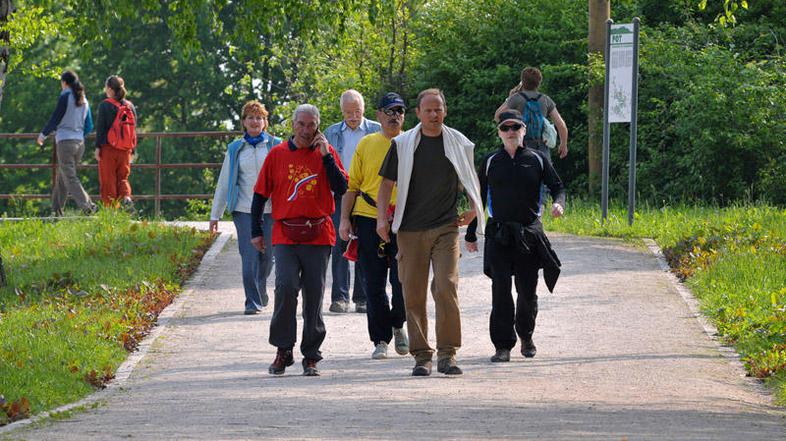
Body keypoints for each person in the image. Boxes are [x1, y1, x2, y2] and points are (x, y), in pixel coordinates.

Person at [376, 88, 484, 376]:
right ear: (418, 113)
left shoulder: (458, 143)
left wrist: (474, 208)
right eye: (429, 110)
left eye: (438, 109)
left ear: (445, 111)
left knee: (446, 286)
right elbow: (386, 184)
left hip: (446, 227)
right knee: (413, 293)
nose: (434, 115)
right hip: (409, 230)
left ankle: (448, 354)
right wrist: (381, 221)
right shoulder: (402, 144)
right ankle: (422, 355)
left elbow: (470, 178)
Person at [250, 104, 348, 377]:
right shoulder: (278, 154)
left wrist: (327, 156)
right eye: (302, 124)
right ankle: (283, 349)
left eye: (312, 125)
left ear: (318, 126)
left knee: (314, 293)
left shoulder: (326, 153)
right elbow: (259, 195)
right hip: (285, 233)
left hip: (318, 232)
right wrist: (256, 231)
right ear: (293, 125)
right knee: (285, 286)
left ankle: (311, 354)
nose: (306, 130)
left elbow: (341, 188)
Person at [465, 110, 565, 363]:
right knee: (500, 290)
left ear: (523, 130)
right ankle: (502, 345)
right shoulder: (490, 161)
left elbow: (557, 186)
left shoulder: (538, 159)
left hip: (529, 234)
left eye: (515, 127)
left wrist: (558, 204)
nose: (510, 132)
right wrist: (470, 233)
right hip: (499, 233)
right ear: (499, 132)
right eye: (505, 128)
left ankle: (526, 335)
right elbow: (478, 198)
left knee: (527, 291)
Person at [338, 92, 409, 360]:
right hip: (368, 218)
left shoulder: (412, 142)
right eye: (390, 111)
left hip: (403, 220)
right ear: (378, 115)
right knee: (373, 283)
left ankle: (398, 323)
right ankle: (380, 339)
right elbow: (352, 186)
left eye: (400, 111)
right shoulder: (367, 144)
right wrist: (345, 219)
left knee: (402, 280)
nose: (395, 116)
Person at [210, 100, 281, 315]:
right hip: (244, 209)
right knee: (249, 255)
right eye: (250, 117)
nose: (255, 121)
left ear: (265, 122)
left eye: (259, 117)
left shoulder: (276, 145)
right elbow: (224, 182)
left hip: (270, 209)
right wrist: (216, 214)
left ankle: (260, 287)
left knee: (268, 257)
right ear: (244, 122)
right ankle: (252, 301)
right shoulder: (235, 149)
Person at [324, 90, 381, 314]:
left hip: (368, 194)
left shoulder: (376, 130)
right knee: (340, 242)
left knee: (365, 244)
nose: (353, 116)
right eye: (348, 112)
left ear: (363, 109)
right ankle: (339, 296)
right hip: (340, 193)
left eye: (356, 111)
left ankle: (362, 297)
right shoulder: (332, 132)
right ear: (342, 111)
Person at [37, 70, 97, 216]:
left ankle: (88, 205)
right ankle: (56, 212)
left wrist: (43, 135)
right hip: (79, 143)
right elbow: (89, 125)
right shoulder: (84, 100)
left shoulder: (65, 96)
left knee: (69, 177)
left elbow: (56, 117)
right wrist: (78, 136)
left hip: (65, 142)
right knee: (64, 176)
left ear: (64, 83)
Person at [496, 66, 568, 160]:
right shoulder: (545, 100)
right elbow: (561, 125)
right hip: (541, 148)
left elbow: (497, 116)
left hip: (519, 146)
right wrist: (563, 144)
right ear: (539, 82)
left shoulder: (516, 98)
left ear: (522, 81)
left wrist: (509, 98)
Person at [94, 75, 138, 209]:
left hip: (108, 149)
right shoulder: (129, 106)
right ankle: (126, 197)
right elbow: (133, 128)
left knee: (108, 181)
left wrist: (97, 148)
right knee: (122, 178)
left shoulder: (105, 105)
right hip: (125, 150)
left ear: (110, 89)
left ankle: (111, 213)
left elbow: (101, 128)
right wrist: (133, 150)